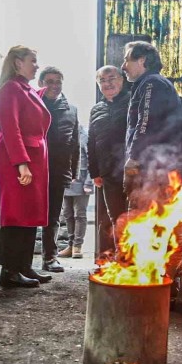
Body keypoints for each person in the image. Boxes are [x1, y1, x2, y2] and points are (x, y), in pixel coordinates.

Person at [0, 45, 53, 288]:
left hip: (32, 158)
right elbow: (11, 128)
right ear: (18, 63)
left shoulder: (24, 89)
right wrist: (21, 164)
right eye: (33, 60)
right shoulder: (10, 90)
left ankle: (24, 266)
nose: (36, 65)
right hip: (17, 159)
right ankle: (9, 271)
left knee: (29, 212)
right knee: (16, 212)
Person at [121, 41, 182, 210]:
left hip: (153, 168)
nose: (123, 66)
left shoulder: (151, 83)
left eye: (127, 60)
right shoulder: (149, 83)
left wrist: (134, 157)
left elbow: (146, 122)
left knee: (144, 215)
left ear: (141, 61)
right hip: (155, 164)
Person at [38, 66, 79, 272]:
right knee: (29, 216)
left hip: (58, 170)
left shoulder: (71, 110)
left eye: (58, 81)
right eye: (49, 81)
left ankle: (50, 258)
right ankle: (22, 261)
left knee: (53, 217)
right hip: (34, 171)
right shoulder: (33, 105)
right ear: (40, 84)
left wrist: (73, 171)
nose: (54, 86)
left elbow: (75, 144)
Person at [87, 65, 130, 257]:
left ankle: (135, 260)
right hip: (107, 172)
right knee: (114, 218)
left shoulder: (132, 102)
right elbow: (91, 142)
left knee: (134, 217)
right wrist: (94, 172)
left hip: (132, 170)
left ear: (122, 79)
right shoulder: (97, 108)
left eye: (111, 78)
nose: (107, 84)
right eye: (102, 81)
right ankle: (115, 258)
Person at [58, 124, 93, 259]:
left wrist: (89, 182)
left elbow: (91, 159)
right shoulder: (63, 133)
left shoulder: (84, 135)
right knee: (67, 214)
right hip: (67, 180)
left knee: (80, 214)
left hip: (82, 181)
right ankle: (71, 245)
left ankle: (78, 246)